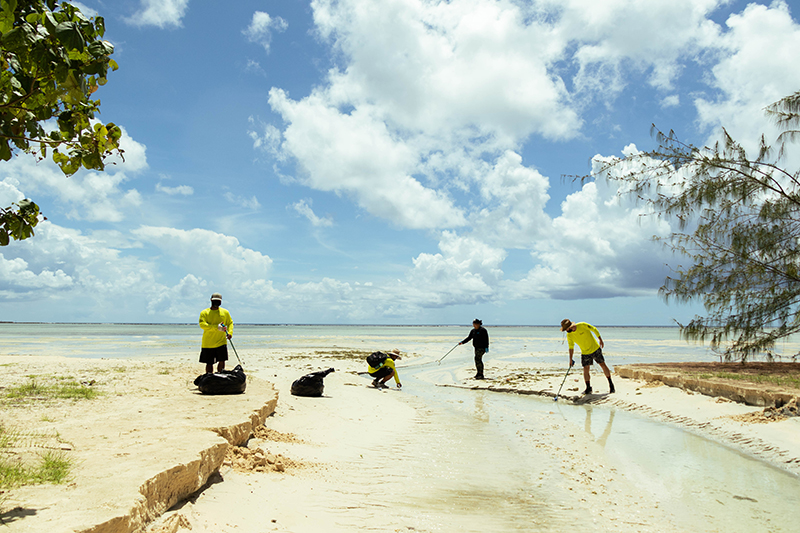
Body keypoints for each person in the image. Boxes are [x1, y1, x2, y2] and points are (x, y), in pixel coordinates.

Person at [560, 319, 614, 394]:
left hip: (595, 349)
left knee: (602, 365)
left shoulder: (582, 325)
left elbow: (594, 329)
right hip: (585, 352)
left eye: (566, 329)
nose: (566, 331)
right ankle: (588, 388)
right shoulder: (569, 335)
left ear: (570, 326)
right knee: (586, 368)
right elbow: (571, 347)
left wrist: (600, 339)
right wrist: (570, 359)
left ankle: (611, 385)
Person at [199, 293, 233, 374]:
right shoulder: (204, 312)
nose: (216, 302)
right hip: (208, 343)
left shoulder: (225, 312)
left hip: (221, 342)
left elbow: (230, 323)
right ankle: (209, 378)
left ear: (221, 302)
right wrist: (216, 327)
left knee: (222, 361)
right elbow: (202, 325)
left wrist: (230, 332)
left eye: (218, 301)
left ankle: (220, 377)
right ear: (211, 300)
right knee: (209, 363)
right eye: (215, 301)